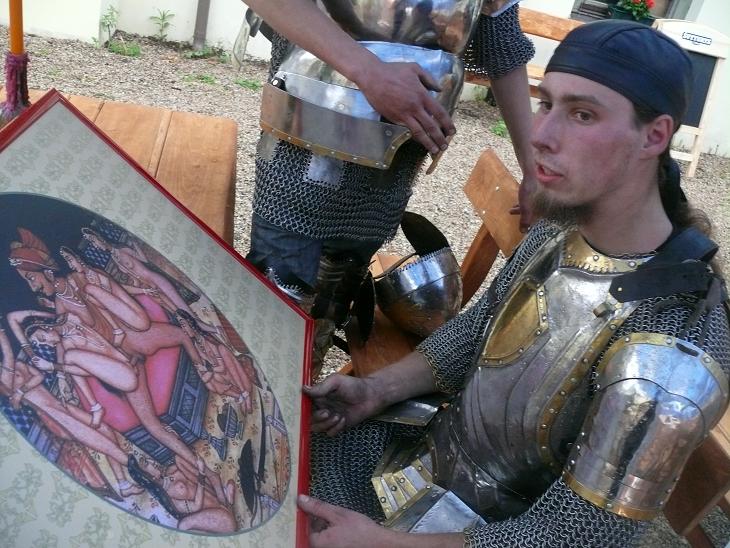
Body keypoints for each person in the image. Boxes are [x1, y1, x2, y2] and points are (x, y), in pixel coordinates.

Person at [295, 20, 730, 546]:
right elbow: (475, 333)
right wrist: (374, 390)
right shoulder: (560, 228)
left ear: (654, 136)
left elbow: (573, 538)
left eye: (583, 114)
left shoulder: (670, 354)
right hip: (425, 461)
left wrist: (385, 544)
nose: (541, 135)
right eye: (546, 104)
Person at [240, 0, 538, 372]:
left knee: (333, 298)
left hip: (392, 159)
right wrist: (369, 72)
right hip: (311, 125)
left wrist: (533, 168)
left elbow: (503, 50)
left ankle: (300, 385)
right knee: (276, 304)